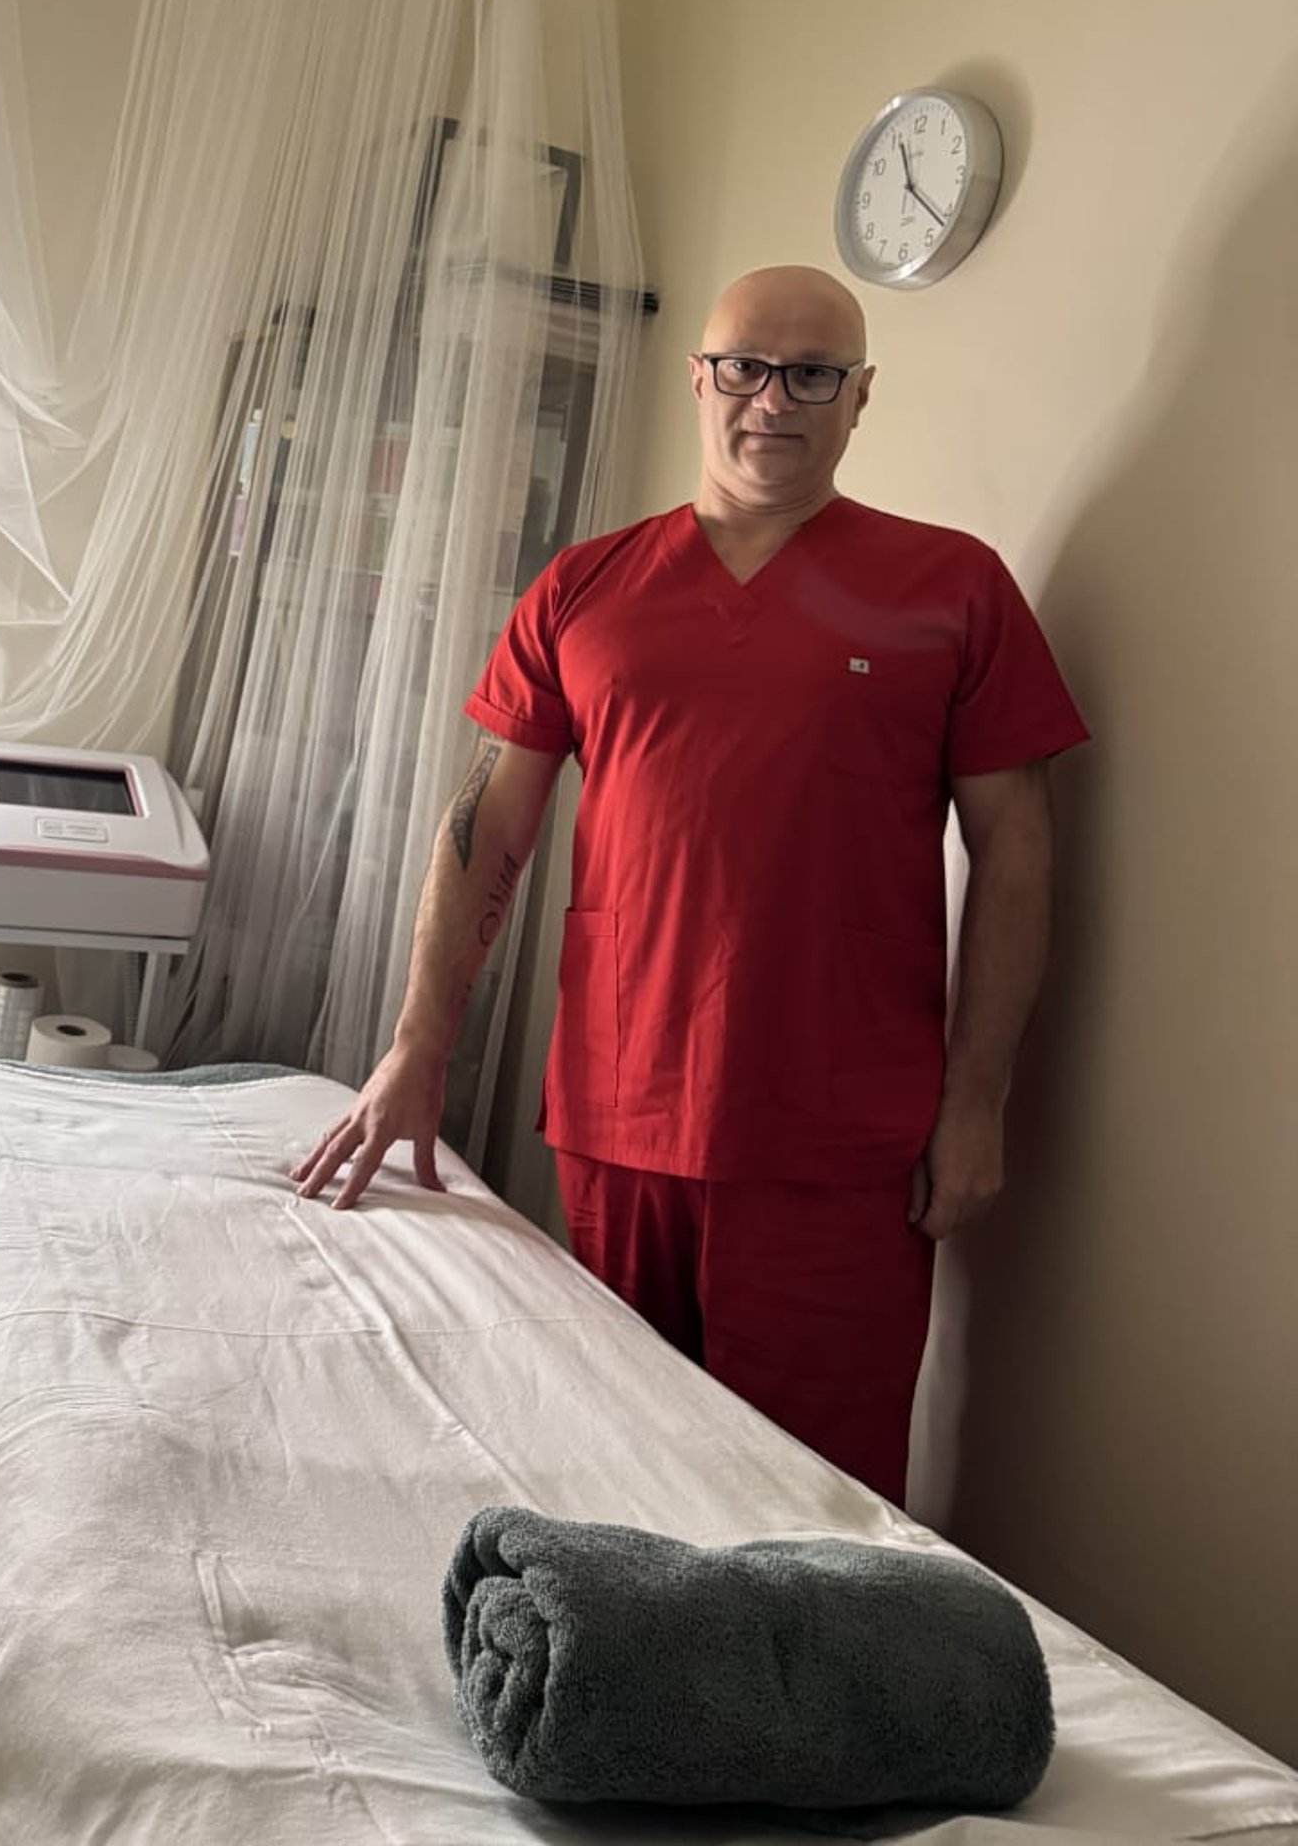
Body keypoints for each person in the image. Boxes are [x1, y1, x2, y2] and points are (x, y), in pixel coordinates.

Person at [294, 264, 1087, 1505]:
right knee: (616, 1478)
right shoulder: (585, 586)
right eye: (745, 367)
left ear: (861, 395)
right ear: (698, 378)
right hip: (620, 1115)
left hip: (841, 1142)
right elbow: (486, 827)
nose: (774, 399)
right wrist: (417, 1046)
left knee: (813, 1507)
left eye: (813, 373)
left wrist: (978, 1100)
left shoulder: (953, 588)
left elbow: (1019, 853)